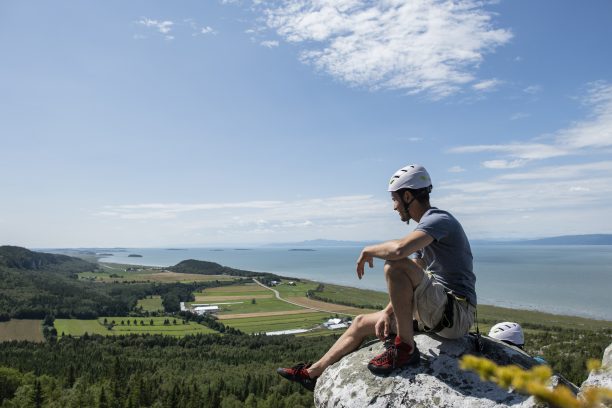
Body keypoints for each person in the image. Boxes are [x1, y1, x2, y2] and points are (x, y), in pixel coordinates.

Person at [277, 164, 477, 391]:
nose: (394, 207)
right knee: (361, 322)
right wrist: (386, 312)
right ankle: (312, 373)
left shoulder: (438, 219)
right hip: (438, 312)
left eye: (395, 199)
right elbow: (414, 279)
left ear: (408, 196)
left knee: (394, 265)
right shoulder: (427, 231)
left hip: (456, 314)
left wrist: (368, 250)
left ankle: (405, 349)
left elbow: (399, 251)